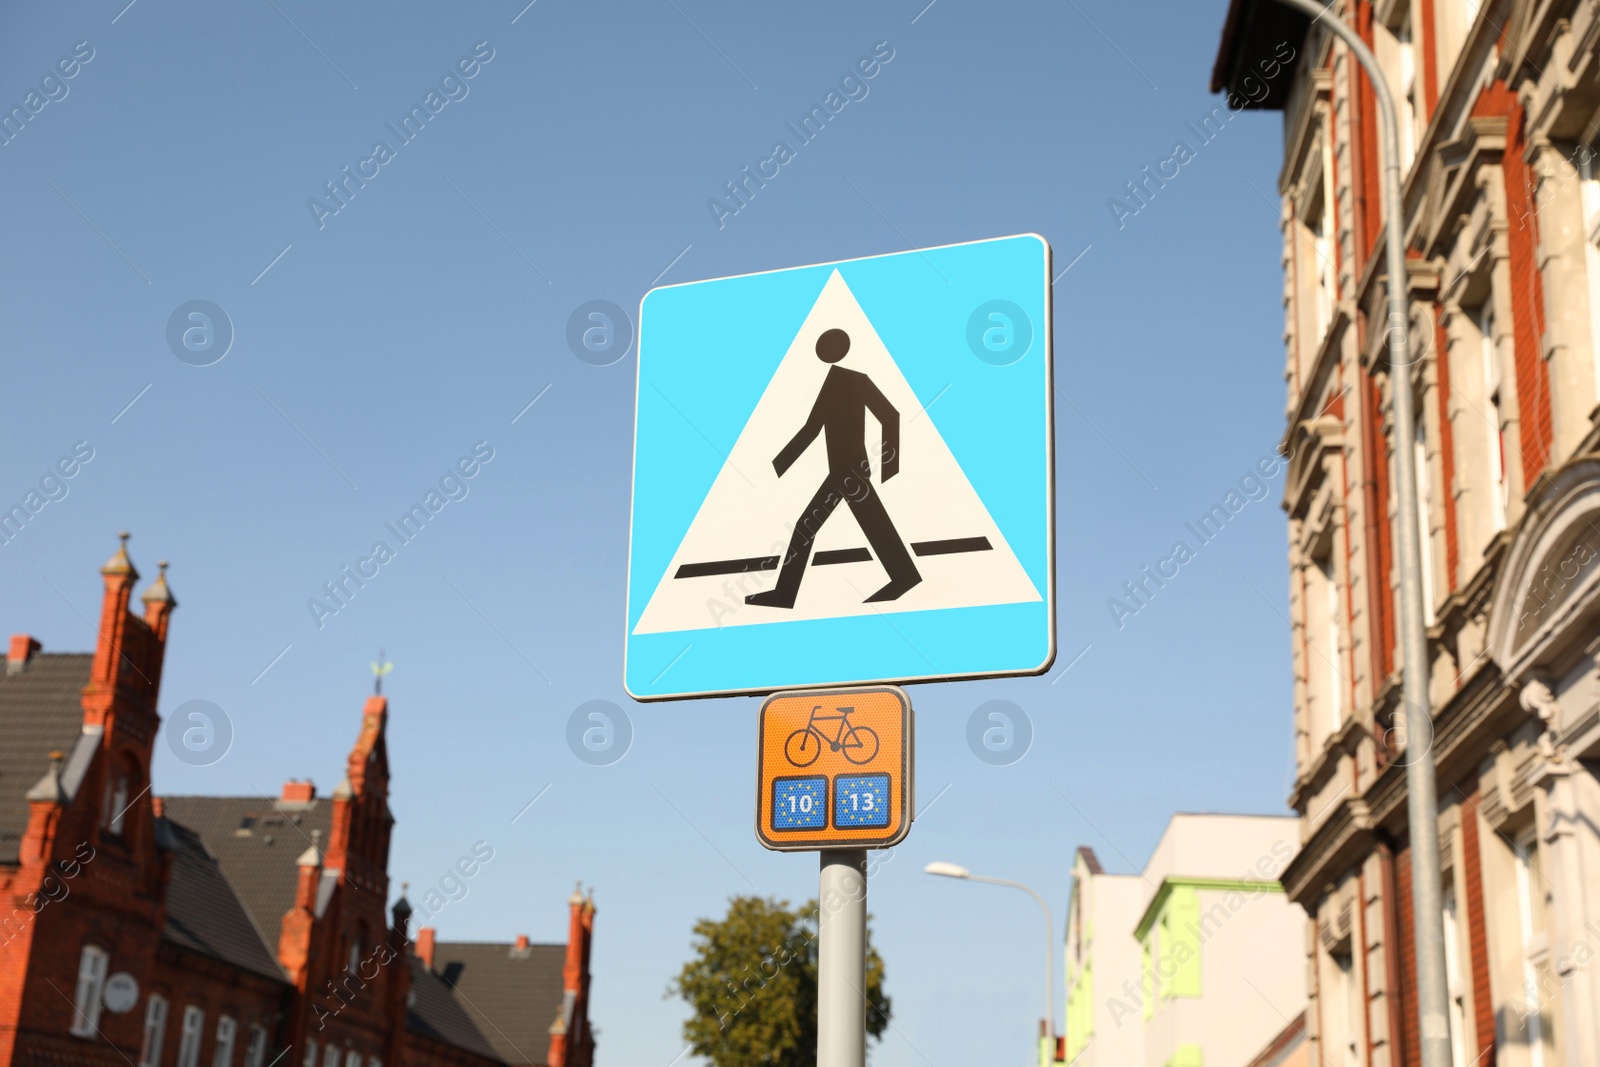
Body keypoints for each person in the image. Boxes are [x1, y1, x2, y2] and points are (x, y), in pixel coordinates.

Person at [745, 328, 922, 609]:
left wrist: (890, 466)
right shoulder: (833, 382)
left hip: (850, 470)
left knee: (809, 525)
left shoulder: (853, 380)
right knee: (867, 525)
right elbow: (812, 429)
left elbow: (890, 415)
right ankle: (904, 575)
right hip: (842, 470)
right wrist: (776, 467)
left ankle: (785, 593)